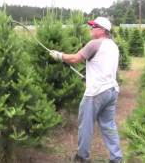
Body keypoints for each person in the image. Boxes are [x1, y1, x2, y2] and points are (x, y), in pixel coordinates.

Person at [50, 17, 122, 163]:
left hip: (96, 93)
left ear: (102, 30)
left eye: (93, 26)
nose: (91, 29)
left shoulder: (94, 44)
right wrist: (88, 77)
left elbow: (75, 59)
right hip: (112, 90)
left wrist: (60, 56)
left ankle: (82, 157)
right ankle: (116, 158)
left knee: (85, 125)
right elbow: (103, 67)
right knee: (109, 126)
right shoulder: (113, 46)